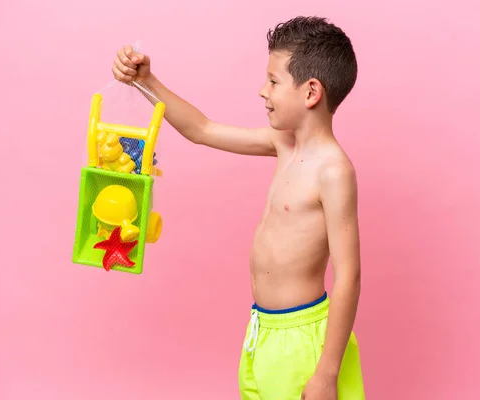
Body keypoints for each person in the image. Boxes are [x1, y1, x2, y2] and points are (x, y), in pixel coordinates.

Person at [112, 15, 365, 400]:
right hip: (262, 330)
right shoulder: (283, 143)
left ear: (311, 92)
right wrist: (146, 81)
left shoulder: (333, 171)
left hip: (300, 342)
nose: (263, 91)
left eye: (274, 81)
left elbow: (348, 277)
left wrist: (326, 374)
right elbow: (202, 130)